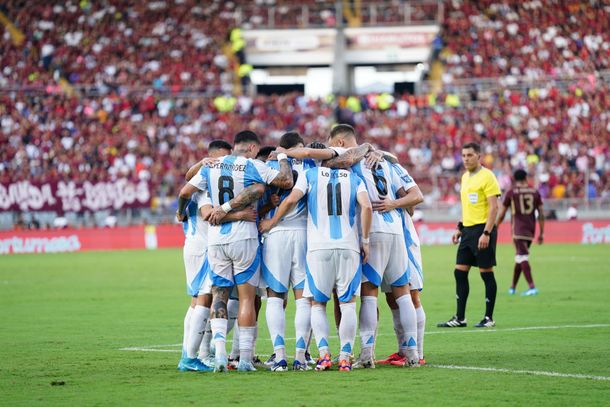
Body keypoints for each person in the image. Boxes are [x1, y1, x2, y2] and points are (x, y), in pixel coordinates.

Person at [177, 130, 293, 372]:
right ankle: (244, 360)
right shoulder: (252, 166)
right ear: (252, 148)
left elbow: (186, 191)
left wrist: (180, 212)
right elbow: (285, 181)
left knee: (217, 296)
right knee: (247, 299)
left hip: (216, 239)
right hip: (245, 238)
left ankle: (218, 356)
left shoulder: (212, 166)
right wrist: (282, 157)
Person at [260, 162, 372, 372]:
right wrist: (365, 240)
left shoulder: (310, 174)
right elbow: (366, 206)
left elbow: (292, 198)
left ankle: (324, 355)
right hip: (349, 247)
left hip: (318, 248)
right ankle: (346, 357)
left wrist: (273, 220)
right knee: (347, 304)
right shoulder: (354, 178)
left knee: (317, 304)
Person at [326, 124, 420, 368]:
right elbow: (416, 195)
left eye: (331, 144)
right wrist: (394, 203)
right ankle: (412, 354)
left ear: (340, 142)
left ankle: (367, 356)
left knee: (369, 295)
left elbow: (332, 163)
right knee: (402, 293)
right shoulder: (388, 163)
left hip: (372, 231)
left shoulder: (350, 161)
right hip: (395, 232)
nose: (330, 150)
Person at [438, 142, 501, 328]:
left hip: (483, 230)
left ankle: (489, 318)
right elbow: (467, 207)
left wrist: (487, 233)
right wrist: (459, 227)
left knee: (486, 274)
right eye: (464, 155)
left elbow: (494, 207)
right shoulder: (465, 177)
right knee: (459, 272)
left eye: (470, 155)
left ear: (479, 156)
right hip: (468, 231)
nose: (466, 159)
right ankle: (460, 318)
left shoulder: (488, 177)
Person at [496, 169, 544, 296]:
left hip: (518, 230)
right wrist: (542, 233)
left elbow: (502, 213)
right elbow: (541, 214)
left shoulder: (512, 193)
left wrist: (496, 226)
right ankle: (512, 288)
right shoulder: (535, 192)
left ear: (515, 179)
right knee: (519, 258)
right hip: (530, 230)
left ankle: (532, 287)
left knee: (522, 257)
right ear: (526, 178)